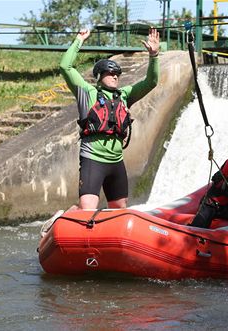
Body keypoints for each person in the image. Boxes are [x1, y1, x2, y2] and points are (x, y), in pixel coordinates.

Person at [60, 28, 160, 210]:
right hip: (93, 159)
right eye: (110, 72)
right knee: (88, 209)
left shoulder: (124, 95)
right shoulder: (87, 92)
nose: (115, 76)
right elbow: (65, 67)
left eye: (117, 74)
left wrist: (154, 56)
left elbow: (151, 82)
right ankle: (70, 217)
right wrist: (79, 40)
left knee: (119, 210)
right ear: (99, 76)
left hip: (116, 162)